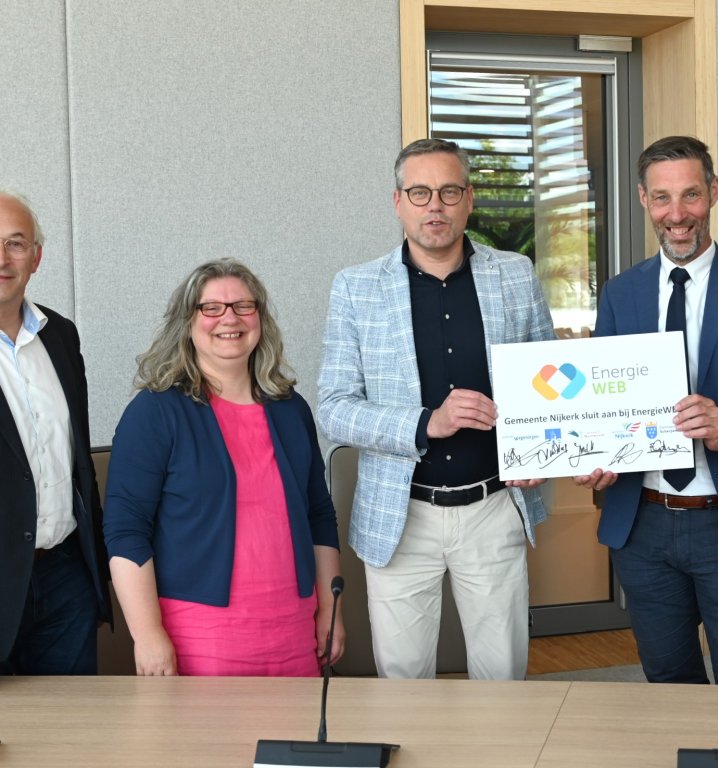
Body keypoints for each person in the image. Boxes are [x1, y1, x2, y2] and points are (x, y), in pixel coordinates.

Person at [576, 136, 718, 685]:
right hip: (643, 526)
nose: (677, 215)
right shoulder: (620, 294)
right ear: (643, 200)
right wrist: (597, 455)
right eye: (662, 198)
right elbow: (602, 408)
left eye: (690, 196)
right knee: (667, 683)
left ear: (714, 192)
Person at [317, 138, 554, 680]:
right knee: (404, 682)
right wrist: (427, 423)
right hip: (400, 516)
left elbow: (550, 384)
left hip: (494, 506)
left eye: (449, 191)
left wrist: (545, 448)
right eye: (420, 192)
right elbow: (333, 408)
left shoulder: (515, 275)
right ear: (397, 201)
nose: (435, 207)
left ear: (469, 199)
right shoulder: (356, 288)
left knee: (504, 678)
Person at [103, 259, 343, 676]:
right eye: (210, 307)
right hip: (201, 633)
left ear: (260, 320)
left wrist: (332, 609)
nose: (228, 318)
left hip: (293, 628)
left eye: (242, 306)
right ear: (187, 323)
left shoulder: (290, 409)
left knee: (292, 741)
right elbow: (126, 531)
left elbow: (319, 514)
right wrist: (147, 635)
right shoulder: (156, 412)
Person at [0, 191, 112, 675]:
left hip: (66, 577)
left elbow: (76, 462)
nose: (3, 259)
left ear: (37, 258)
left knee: (71, 738)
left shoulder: (60, 335)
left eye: (16, 243)